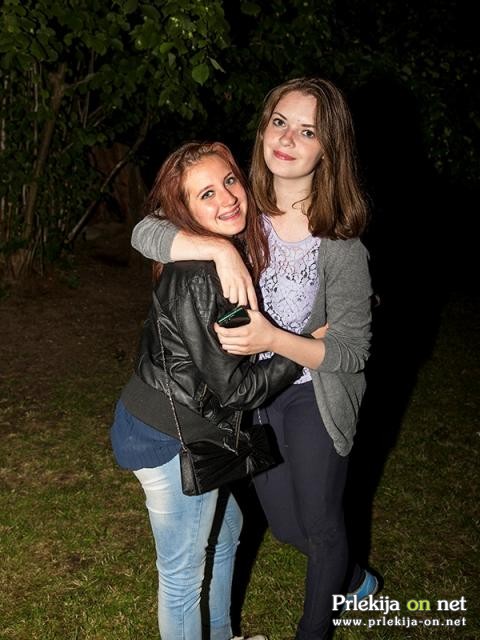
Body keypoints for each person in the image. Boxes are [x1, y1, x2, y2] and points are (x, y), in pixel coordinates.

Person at [131, 78, 377, 640]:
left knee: (321, 526)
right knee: (286, 526)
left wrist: (273, 338)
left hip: (313, 391)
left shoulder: (341, 244)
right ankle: (350, 577)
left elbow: (350, 352)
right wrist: (217, 248)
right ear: (263, 128)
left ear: (329, 149)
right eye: (279, 123)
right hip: (255, 394)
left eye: (308, 131)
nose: (287, 139)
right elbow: (147, 231)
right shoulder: (240, 210)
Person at [111, 141, 303, 640]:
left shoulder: (208, 257)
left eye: (229, 181)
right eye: (206, 194)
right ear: (186, 212)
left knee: (228, 530)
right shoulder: (201, 275)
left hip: (167, 418)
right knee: (181, 577)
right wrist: (301, 349)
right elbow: (236, 390)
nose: (227, 199)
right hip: (168, 438)